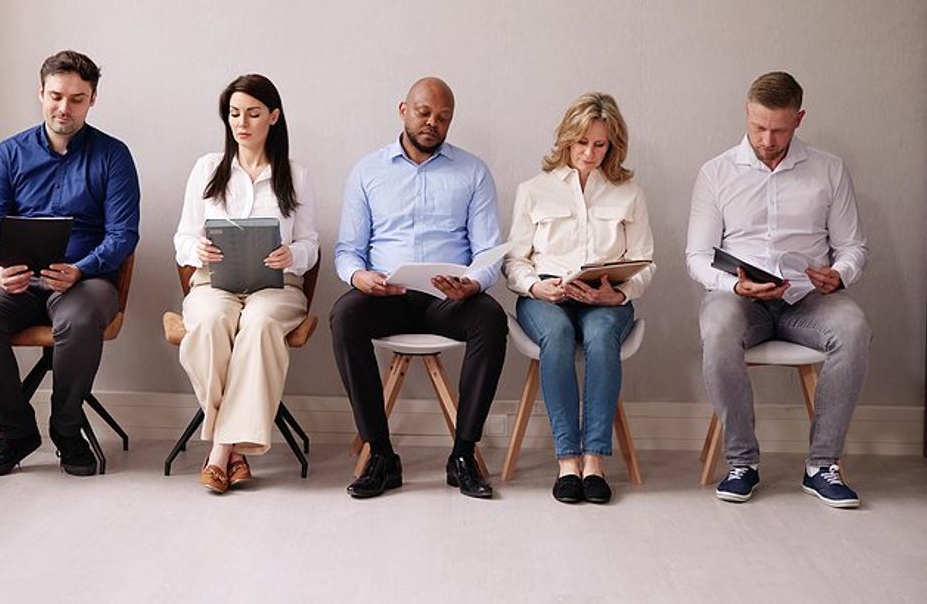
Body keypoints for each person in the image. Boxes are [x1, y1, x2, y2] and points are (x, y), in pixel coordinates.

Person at [686, 71, 870, 507]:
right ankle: (741, 462)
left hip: (808, 299)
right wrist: (735, 284)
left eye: (779, 129)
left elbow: (853, 246)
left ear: (799, 119)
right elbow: (696, 256)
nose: (767, 139)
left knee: (854, 327)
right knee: (717, 329)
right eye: (758, 126)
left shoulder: (829, 169)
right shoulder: (716, 173)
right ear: (747, 115)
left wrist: (840, 273)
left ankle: (822, 465)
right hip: (739, 299)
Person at [0, 50, 140, 478]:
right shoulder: (9, 154)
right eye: (56, 95)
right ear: (40, 93)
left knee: (76, 320)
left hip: (85, 279)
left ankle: (67, 429)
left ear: (92, 100)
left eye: (77, 98)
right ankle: (16, 430)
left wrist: (83, 267)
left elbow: (123, 234)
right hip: (18, 282)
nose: (65, 107)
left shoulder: (113, 156)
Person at [331, 77, 507, 499]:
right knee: (344, 317)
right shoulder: (368, 171)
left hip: (448, 298)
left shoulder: (473, 171)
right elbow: (347, 250)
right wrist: (360, 277)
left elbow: (489, 251)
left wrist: (473, 283)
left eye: (443, 118)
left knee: (492, 319)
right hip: (386, 295)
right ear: (403, 110)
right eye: (424, 112)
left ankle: (463, 454)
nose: (433, 123)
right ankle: (381, 455)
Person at [503, 92, 655, 504]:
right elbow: (514, 260)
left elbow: (647, 263)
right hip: (546, 295)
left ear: (613, 145)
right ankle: (567, 461)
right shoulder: (534, 190)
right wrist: (536, 286)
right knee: (556, 335)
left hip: (604, 297)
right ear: (567, 139)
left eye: (600, 144)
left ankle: (595, 461)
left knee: (602, 338)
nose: (589, 153)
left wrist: (618, 292)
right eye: (582, 142)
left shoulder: (629, 193)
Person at [173, 74, 319, 494]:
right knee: (211, 322)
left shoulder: (295, 174)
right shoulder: (206, 168)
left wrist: (295, 254)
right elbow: (182, 236)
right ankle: (234, 449)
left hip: (276, 288)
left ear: (273, 117)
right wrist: (195, 250)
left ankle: (220, 449)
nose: (242, 123)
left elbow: (311, 242)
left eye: (253, 114)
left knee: (257, 324)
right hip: (214, 284)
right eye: (235, 114)